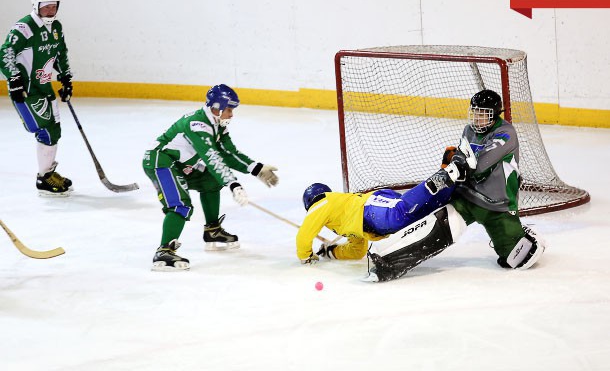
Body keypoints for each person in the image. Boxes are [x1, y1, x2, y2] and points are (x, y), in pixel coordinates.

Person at [366, 89, 546, 282]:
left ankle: (519, 232)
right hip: (467, 197)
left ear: (494, 115)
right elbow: (462, 155)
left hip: (498, 205)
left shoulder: (506, 133)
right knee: (435, 229)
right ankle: (388, 260)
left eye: (483, 114)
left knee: (515, 258)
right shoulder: (469, 130)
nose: (478, 118)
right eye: (475, 112)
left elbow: (481, 164)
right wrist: (454, 163)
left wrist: (458, 167)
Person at [143, 84, 279, 271]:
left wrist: (257, 169)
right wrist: (233, 184)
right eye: (229, 109)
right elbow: (212, 157)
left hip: (182, 164)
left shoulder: (216, 124)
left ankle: (212, 231)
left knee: (211, 181)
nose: (231, 115)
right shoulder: (197, 125)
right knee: (180, 204)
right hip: (162, 162)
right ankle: (163, 251)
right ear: (218, 107)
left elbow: (228, 153)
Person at [296, 136, 476, 264]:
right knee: (426, 211)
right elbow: (357, 251)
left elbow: (304, 234)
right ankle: (452, 172)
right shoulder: (341, 221)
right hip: (373, 220)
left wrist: (306, 256)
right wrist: (331, 252)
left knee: (399, 212)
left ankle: (448, 173)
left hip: (369, 208)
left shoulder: (322, 202)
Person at [0, 0, 74, 196]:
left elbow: (60, 53)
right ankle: (43, 178)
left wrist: (66, 77)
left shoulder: (56, 27)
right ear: (36, 6)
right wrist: (14, 79)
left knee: (55, 130)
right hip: (26, 90)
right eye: (46, 6)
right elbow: (5, 53)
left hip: (44, 87)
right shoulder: (25, 28)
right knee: (45, 130)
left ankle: (47, 174)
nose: (51, 10)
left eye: (54, 6)